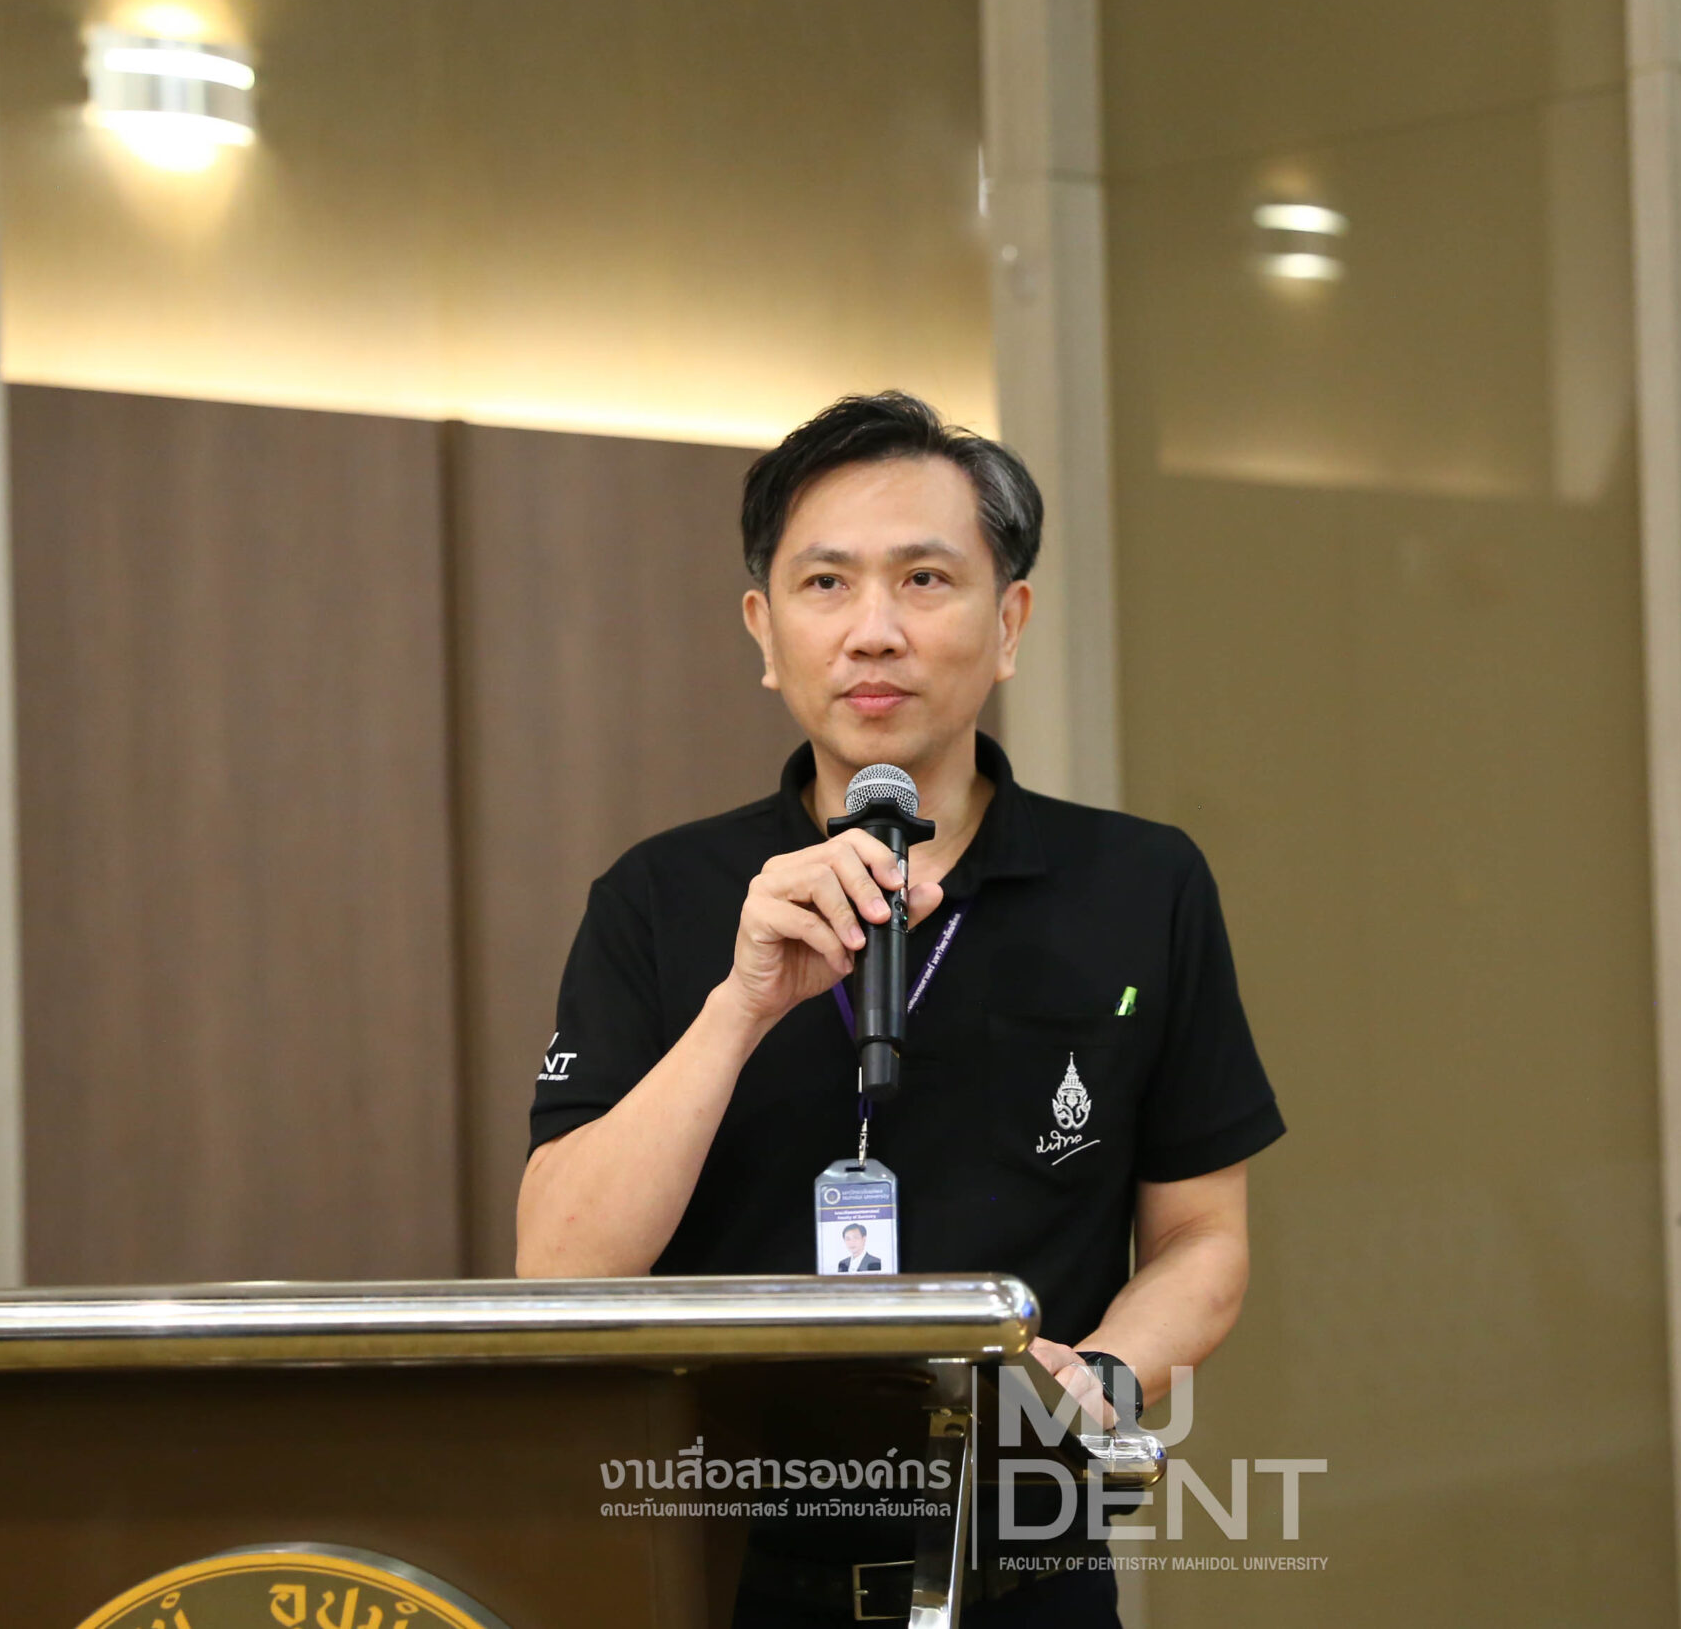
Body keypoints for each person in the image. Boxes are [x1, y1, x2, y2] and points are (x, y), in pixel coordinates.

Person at [517, 392, 1286, 1626]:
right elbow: (559, 1268)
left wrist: (1097, 1378)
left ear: (1008, 622)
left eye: (925, 579)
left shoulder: (1141, 886)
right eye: (826, 584)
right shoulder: (659, 897)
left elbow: (1205, 1237)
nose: (873, 632)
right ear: (766, 631)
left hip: (1021, 1572)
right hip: (716, 1578)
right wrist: (739, 1007)